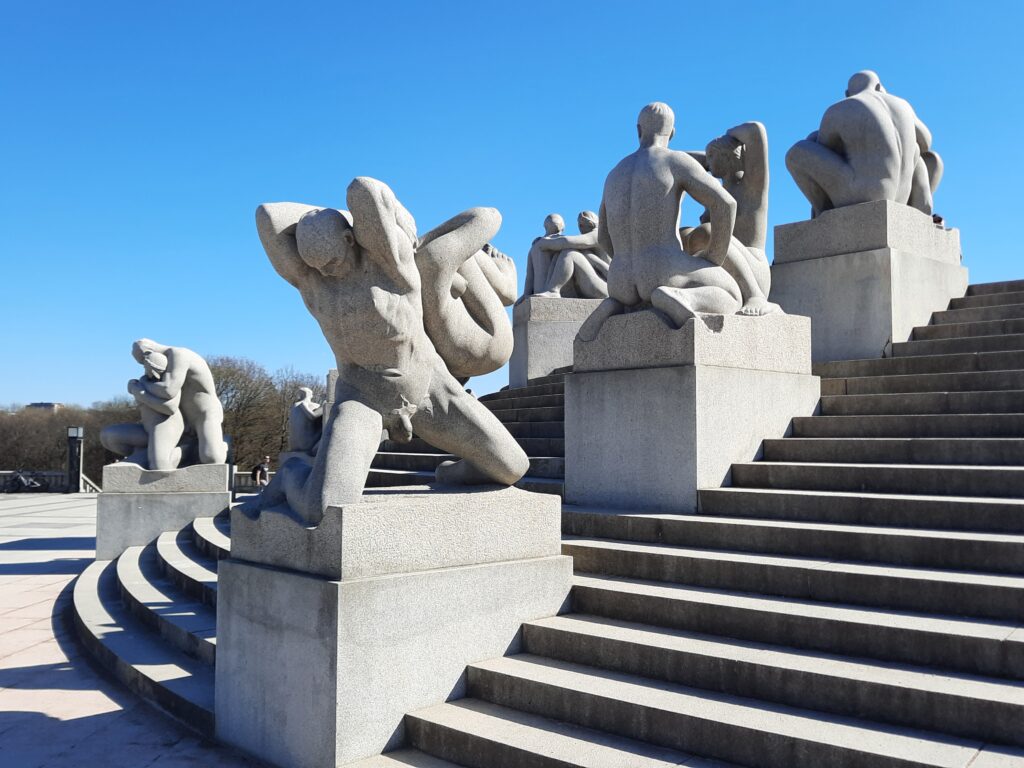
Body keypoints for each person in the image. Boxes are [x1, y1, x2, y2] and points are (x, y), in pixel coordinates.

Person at [255, 177, 529, 523]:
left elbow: (365, 190)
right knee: (322, 509)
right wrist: (320, 226)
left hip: (429, 389)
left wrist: (342, 216)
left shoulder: (393, 267)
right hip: (361, 398)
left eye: (332, 261)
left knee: (513, 466)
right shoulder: (311, 282)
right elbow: (267, 215)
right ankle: (291, 475)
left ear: (350, 239)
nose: (325, 271)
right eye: (317, 265)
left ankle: (452, 472)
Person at [578, 102, 744, 341]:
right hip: (663, 270)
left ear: (638, 130)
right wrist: (713, 258)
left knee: (627, 291)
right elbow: (725, 204)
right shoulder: (674, 160)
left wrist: (628, 262)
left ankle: (614, 305)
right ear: (672, 132)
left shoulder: (614, 173)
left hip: (619, 278)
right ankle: (682, 297)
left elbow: (603, 235)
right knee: (731, 293)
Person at [786, 70, 942, 217]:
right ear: (880, 87)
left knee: (798, 151)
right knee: (915, 149)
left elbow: (825, 148)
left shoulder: (840, 108)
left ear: (847, 93)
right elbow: (926, 141)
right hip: (900, 197)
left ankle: (824, 214)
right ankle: (923, 206)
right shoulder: (904, 106)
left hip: (862, 195)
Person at [684, 121, 779, 315]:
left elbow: (755, 131)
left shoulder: (752, 186)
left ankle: (755, 296)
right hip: (723, 264)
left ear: (729, 156)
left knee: (707, 231)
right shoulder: (719, 189)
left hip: (754, 268)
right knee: (684, 234)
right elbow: (684, 161)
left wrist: (727, 138)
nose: (707, 163)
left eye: (711, 157)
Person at [531, 210, 611, 299]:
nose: (580, 229)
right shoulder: (588, 244)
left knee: (570, 254)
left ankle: (553, 290)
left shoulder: (597, 235)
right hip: (599, 285)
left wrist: (545, 242)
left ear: (590, 223)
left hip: (606, 288)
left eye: (581, 225)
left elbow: (567, 241)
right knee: (560, 254)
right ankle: (549, 289)